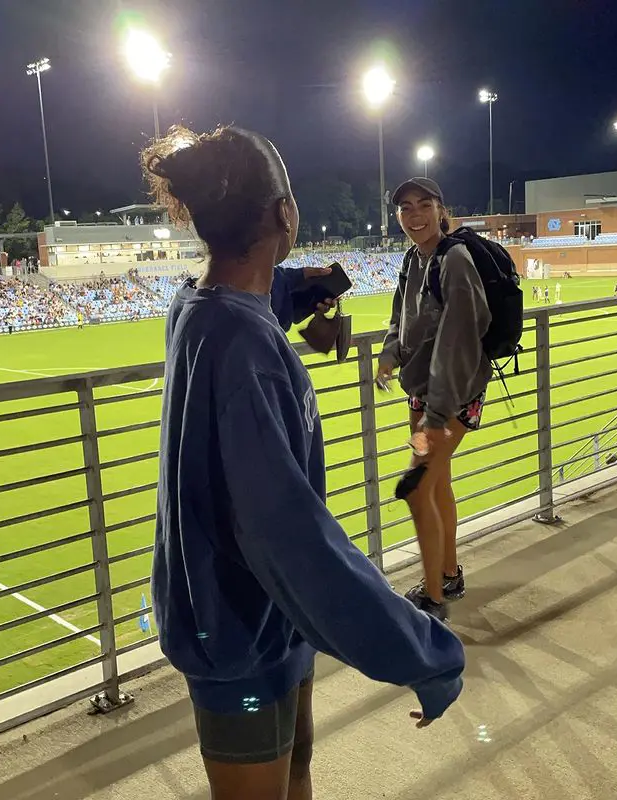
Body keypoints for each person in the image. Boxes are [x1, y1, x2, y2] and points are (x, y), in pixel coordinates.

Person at [144, 128, 464, 800]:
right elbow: (294, 540)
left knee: (297, 773)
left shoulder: (200, 310)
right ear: (286, 214)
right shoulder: (242, 349)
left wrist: (295, 299)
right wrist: (425, 653)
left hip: (275, 629)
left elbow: (237, 299)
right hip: (238, 647)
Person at [376, 177, 492, 622]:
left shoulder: (455, 261)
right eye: (405, 207)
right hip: (423, 393)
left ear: (441, 210)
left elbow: (458, 343)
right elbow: (399, 318)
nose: (414, 215)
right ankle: (449, 574)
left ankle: (433, 599)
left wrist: (436, 417)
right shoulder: (412, 258)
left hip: (452, 398)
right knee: (437, 483)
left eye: (423, 204)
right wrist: (390, 357)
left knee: (417, 486)